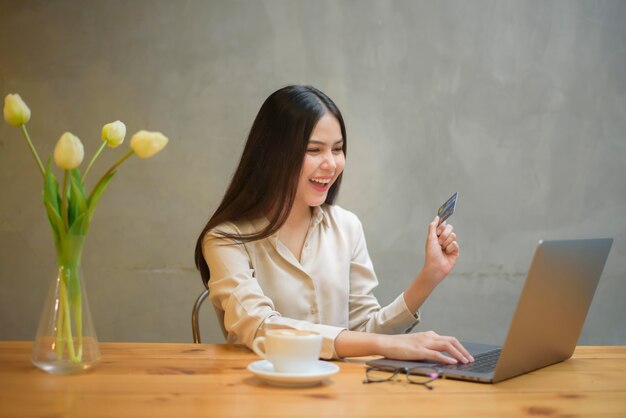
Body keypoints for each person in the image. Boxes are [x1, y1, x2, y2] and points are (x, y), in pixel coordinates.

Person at [195, 85, 473, 364]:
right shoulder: (225, 239)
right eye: (314, 150)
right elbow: (262, 327)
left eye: (338, 149)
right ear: (273, 154)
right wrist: (387, 345)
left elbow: (365, 331)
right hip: (261, 396)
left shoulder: (347, 226)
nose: (331, 164)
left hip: (337, 397)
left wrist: (430, 275)